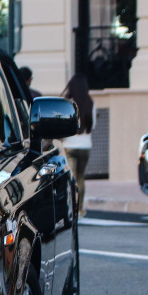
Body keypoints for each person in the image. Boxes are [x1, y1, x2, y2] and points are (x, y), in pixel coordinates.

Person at [61, 73, 95, 214]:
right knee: (80, 176)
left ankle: (72, 208)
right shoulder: (90, 103)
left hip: (70, 144)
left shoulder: (67, 103)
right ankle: (80, 209)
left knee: (72, 176)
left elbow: (62, 124)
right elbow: (92, 126)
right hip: (85, 144)